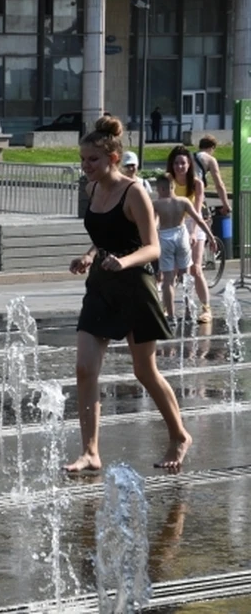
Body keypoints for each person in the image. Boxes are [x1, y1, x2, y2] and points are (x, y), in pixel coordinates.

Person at [66, 116, 191, 473]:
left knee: (144, 370)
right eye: (83, 159)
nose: (86, 166)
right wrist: (89, 256)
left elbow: (152, 248)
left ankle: (179, 436)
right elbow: (104, 234)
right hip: (102, 285)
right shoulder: (92, 190)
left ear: (114, 158)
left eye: (93, 160)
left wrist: (123, 262)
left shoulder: (134, 191)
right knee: (84, 369)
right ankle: (90, 452)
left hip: (135, 285)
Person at [152, 174, 216, 319]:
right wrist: (211, 237)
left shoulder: (156, 204)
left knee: (168, 279)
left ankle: (171, 315)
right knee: (185, 276)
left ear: (160, 188)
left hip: (165, 236)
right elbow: (198, 219)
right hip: (182, 236)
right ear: (173, 186)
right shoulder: (183, 201)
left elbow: (153, 223)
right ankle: (188, 311)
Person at [167, 146, 212, 324]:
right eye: (177, 163)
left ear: (189, 164)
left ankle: (206, 308)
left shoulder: (196, 183)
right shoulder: (169, 181)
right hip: (175, 225)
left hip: (194, 223)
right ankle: (167, 307)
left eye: (183, 163)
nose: (180, 166)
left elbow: (197, 210)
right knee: (173, 271)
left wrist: (193, 232)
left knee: (195, 269)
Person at [194, 135, 232, 215]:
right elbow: (219, 185)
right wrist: (226, 204)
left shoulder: (189, 156)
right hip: (197, 194)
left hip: (181, 193)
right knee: (203, 221)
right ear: (212, 147)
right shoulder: (210, 159)